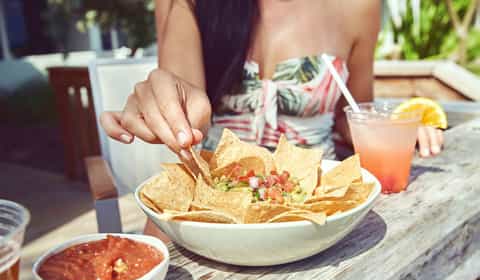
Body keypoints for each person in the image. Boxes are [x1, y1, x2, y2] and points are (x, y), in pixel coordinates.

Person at [101, 0, 444, 160]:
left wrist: (395, 131)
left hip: (321, 208)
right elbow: (181, 94)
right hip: (211, 209)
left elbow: (349, 113)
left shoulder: (358, 6)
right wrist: (164, 99)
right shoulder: (188, 2)